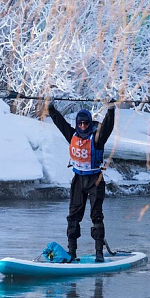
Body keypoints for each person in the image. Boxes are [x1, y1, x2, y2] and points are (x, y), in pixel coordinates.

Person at [48, 100, 115, 262]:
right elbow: (60, 122)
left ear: (90, 123)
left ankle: (99, 252)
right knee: (73, 216)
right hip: (78, 180)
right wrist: (50, 108)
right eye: (81, 123)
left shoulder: (97, 138)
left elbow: (108, 126)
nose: (83, 126)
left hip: (95, 180)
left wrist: (111, 110)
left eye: (86, 123)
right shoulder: (72, 135)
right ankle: (72, 253)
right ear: (77, 124)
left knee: (96, 216)